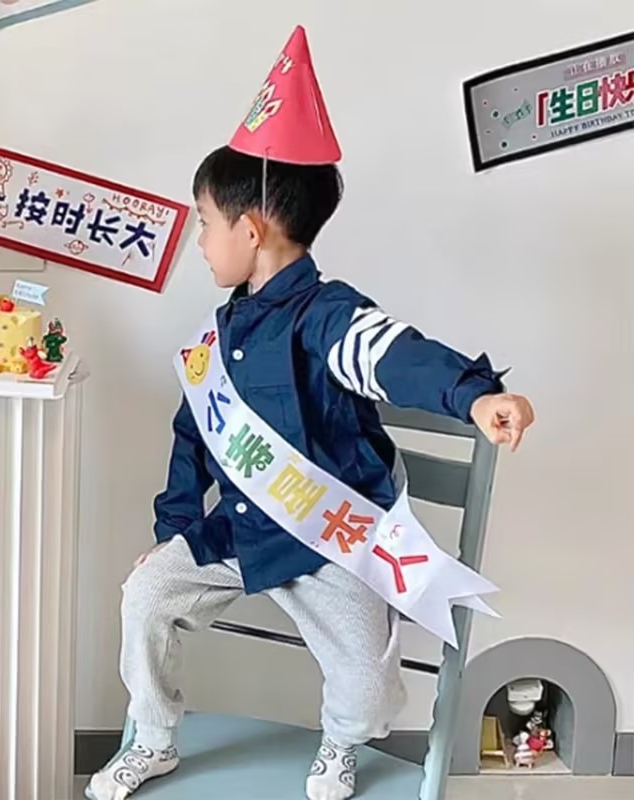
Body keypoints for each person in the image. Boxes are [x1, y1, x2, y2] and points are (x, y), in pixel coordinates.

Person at [86, 25, 535, 800]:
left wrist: (475, 393)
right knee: (146, 595)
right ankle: (153, 738)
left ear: (249, 229)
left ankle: (340, 745)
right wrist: (173, 531)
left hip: (333, 539)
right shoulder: (219, 334)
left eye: (204, 222)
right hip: (242, 529)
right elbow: (192, 437)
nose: (199, 240)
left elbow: (393, 355)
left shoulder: (328, 317)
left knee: (366, 685)